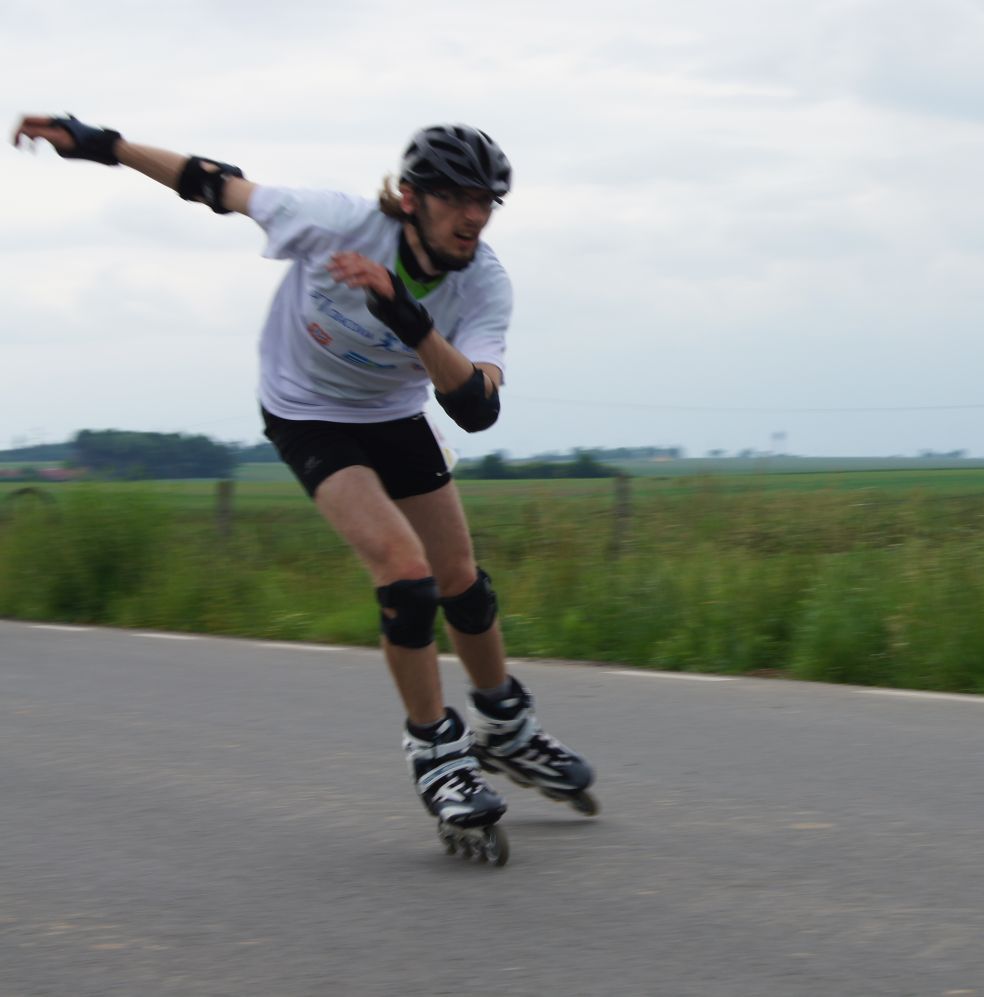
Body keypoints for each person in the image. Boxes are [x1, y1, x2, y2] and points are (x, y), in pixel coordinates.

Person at [12, 113, 596, 858]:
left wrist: (410, 320)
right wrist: (100, 143)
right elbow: (211, 183)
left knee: (464, 583)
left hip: (392, 413)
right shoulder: (335, 222)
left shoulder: (484, 282)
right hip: (305, 410)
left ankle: (506, 726)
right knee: (408, 577)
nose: (474, 216)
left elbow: (476, 408)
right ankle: (436, 752)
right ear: (412, 199)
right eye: (456, 197)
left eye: (487, 201)